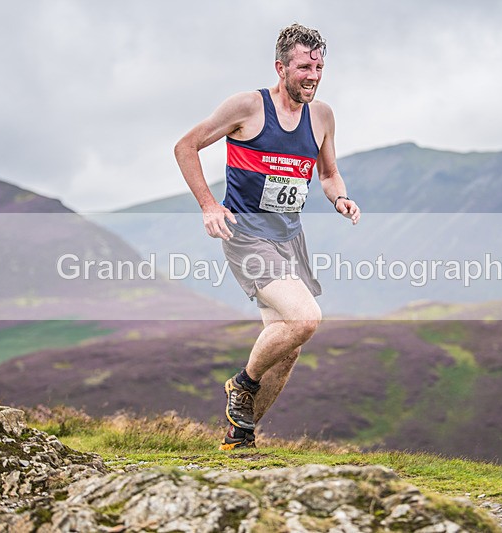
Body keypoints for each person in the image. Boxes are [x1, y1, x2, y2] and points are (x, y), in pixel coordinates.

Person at [174, 23, 360, 450]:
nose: (312, 75)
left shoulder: (322, 116)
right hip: (247, 235)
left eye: (319, 67)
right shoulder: (247, 107)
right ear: (281, 68)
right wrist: (208, 204)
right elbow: (186, 146)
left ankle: (239, 438)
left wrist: (341, 199)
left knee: (287, 346)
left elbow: (329, 174)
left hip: (290, 237)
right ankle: (243, 383)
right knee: (305, 319)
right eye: (303, 68)